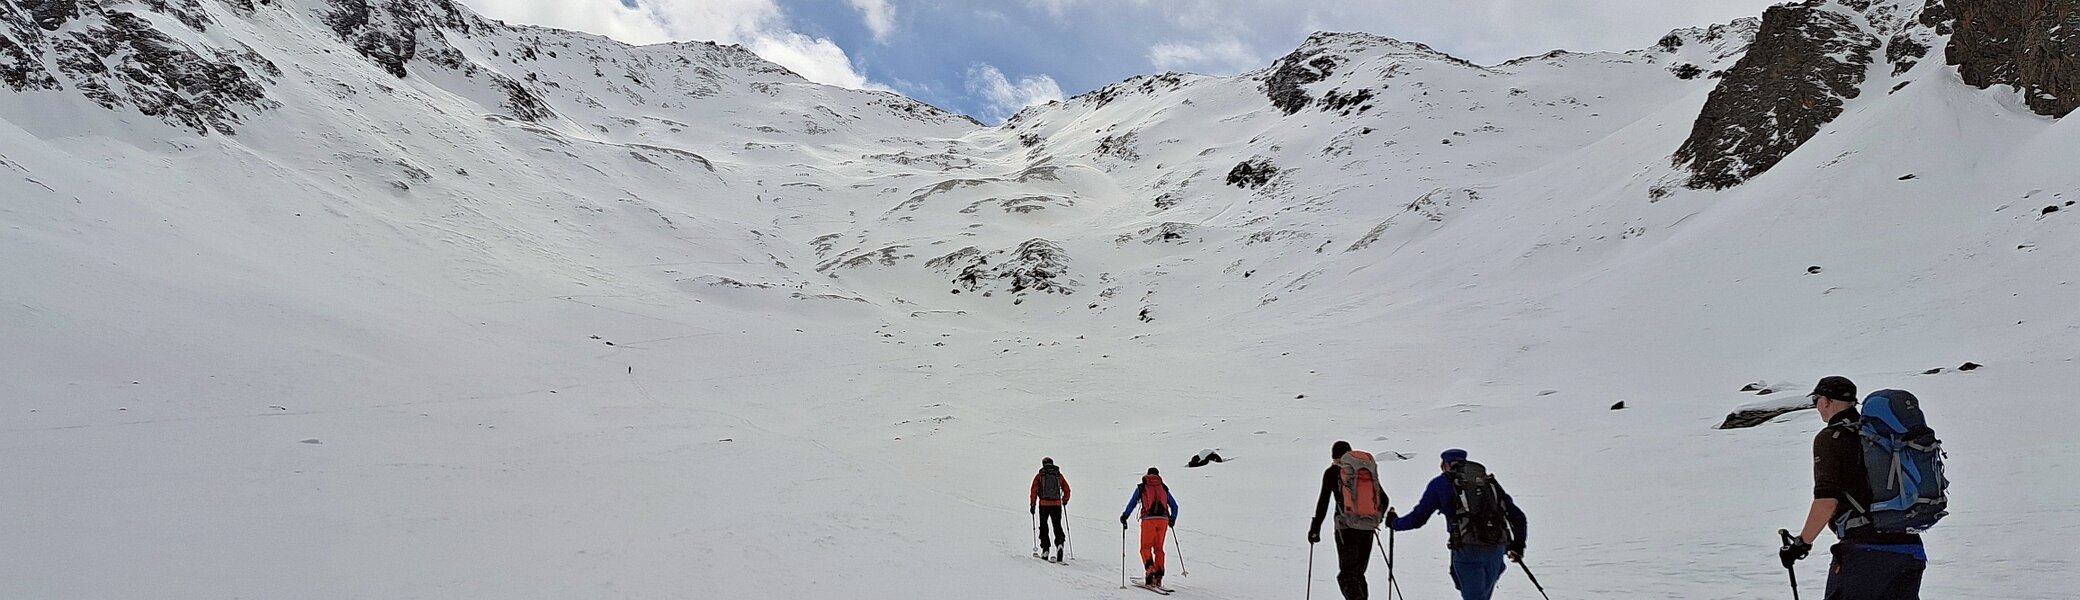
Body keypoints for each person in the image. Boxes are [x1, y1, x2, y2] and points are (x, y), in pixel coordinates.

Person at [1779, 376, 1926, 599]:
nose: (1816, 406)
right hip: (1910, 548)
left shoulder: (1831, 438)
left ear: (1826, 401)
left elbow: (1826, 501)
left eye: (1816, 400)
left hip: (1865, 554)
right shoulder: (1884, 436)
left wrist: (1801, 544)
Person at [1388, 449, 1528, 600]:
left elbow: (1418, 519)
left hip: (1467, 549)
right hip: (1497, 547)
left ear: (1445, 465)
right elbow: (1518, 517)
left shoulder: (1441, 483)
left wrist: (1395, 523)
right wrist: (1518, 545)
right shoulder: (1488, 482)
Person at [1309, 440, 1392, 600]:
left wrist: (1315, 528)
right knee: (1359, 574)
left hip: (1345, 528)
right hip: (1368, 527)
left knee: (1348, 575)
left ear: (1334, 457)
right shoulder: (1363, 472)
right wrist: (1374, 518)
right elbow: (1385, 499)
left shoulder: (1332, 472)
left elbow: (1323, 502)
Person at [1120, 467, 1180, 589]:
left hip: (1148, 520)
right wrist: (1172, 518)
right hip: (1163, 520)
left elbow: (1132, 504)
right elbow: (1175, 506)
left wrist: (1125, 516)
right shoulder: (1163, 487)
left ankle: (1150, 570)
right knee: (1159, 548)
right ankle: (1159, 575)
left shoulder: (1142, 487)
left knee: (1145, 547)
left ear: (1148, 475)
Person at [1030, 457, 1073, 562]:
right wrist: (1065, 500)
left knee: (1044, 526)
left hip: (1044, 504)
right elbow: (1067, 489)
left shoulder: (1040, 475)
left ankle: (1045, 549)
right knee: (1057, 525)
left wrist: (1032, 504)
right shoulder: (1058, 475)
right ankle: (1059, 544)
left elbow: (1034, 490)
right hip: (1057, 504)